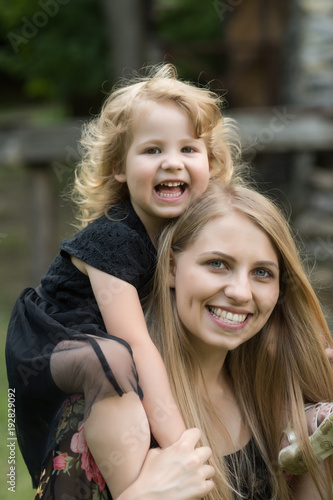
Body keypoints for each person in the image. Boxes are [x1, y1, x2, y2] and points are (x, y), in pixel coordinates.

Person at [5, 63, 241, 498]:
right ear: (119, 167)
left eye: (189, 149)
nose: (173, 162)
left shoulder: (194, 234)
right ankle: (147, 487)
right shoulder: (113, 237)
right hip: (54, 344)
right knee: (112, 359)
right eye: (152, 150)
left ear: (211, 162)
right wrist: (181, 444)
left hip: (114, 348)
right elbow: (138, 342)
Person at [144, 182, 333, 499]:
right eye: (217, 264)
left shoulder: (273, 398)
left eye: (262, 272)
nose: (241, 292)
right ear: (172, 267)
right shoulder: (117, 395)